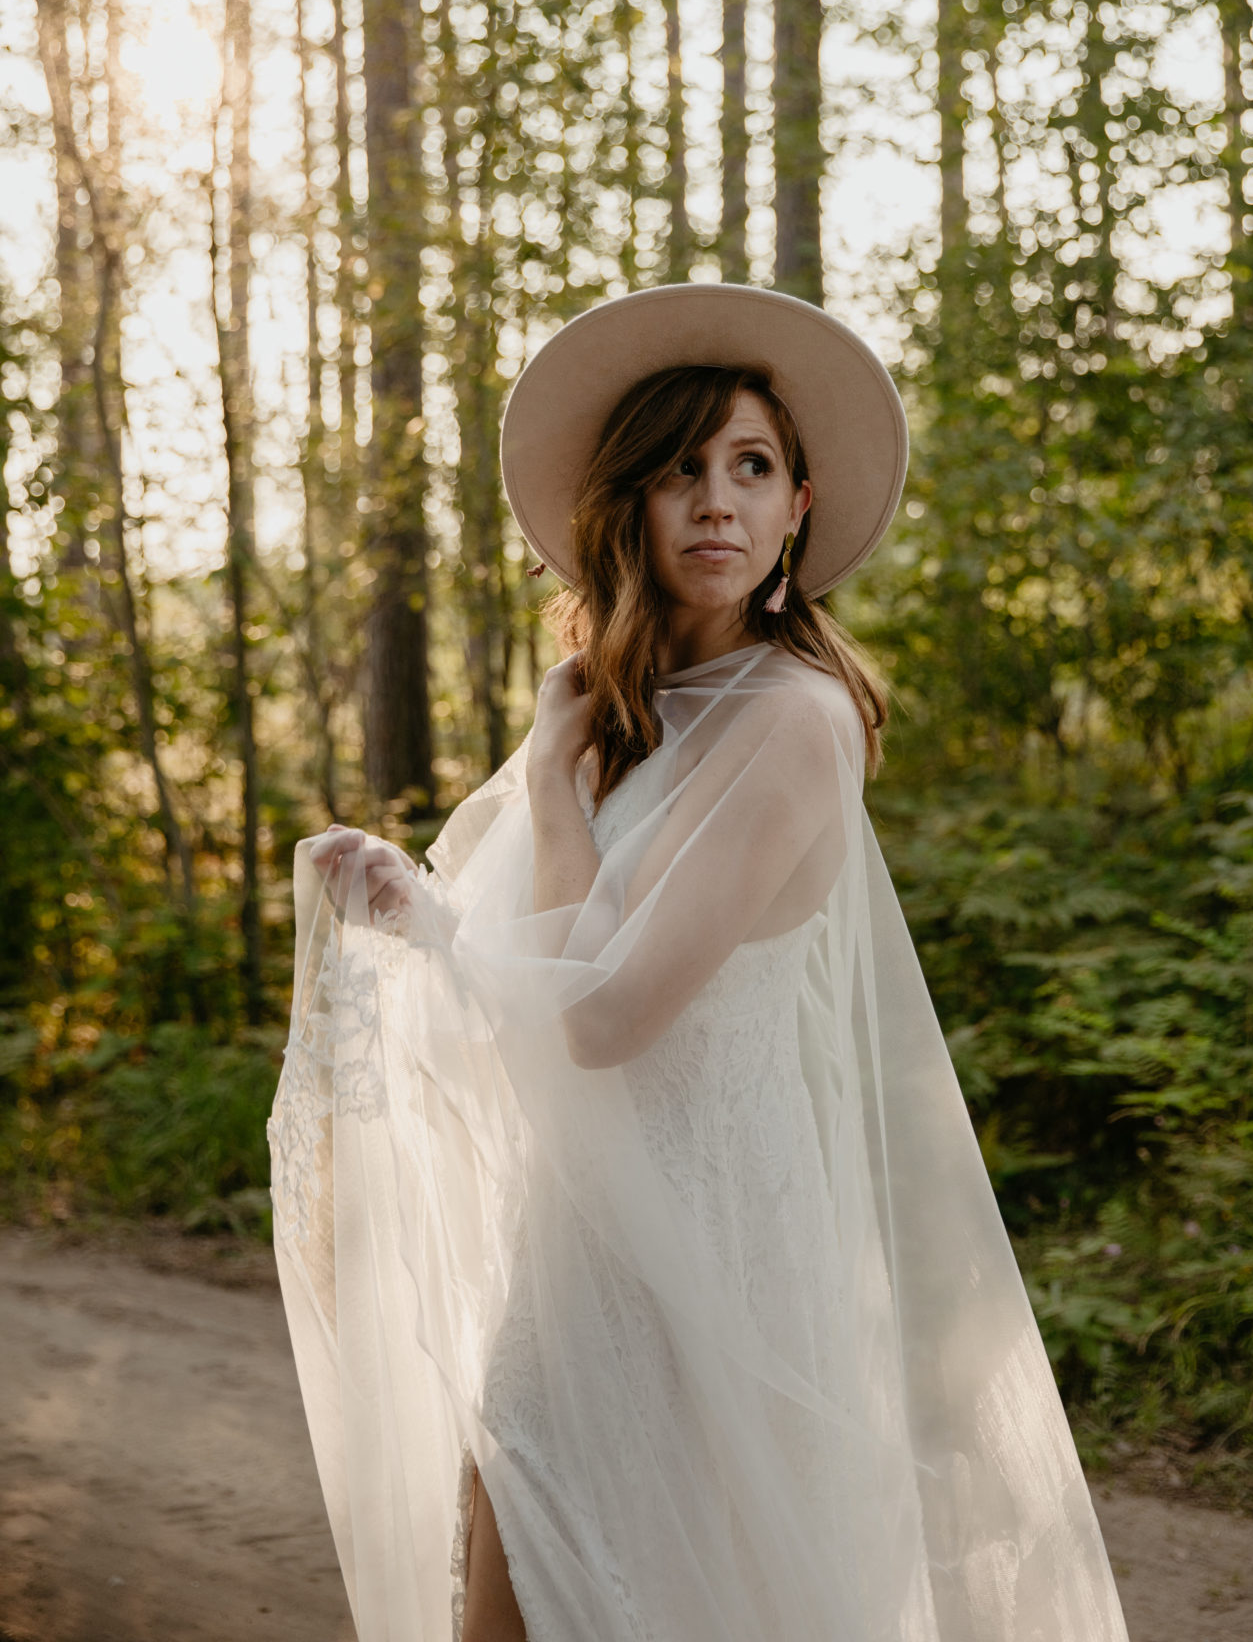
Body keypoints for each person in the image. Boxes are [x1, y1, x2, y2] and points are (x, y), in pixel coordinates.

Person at [269, 284, 1130, 1642]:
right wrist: (553, 779)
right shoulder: (613, 715)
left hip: (714, 1232)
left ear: (799, 505)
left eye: (750, 468)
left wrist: (435, 932)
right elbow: (567, 953)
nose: (716, 504)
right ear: (632, 506)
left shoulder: (794, 720)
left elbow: (607, 1016)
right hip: (577, 1228)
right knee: (516, 1586)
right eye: (680, 473)